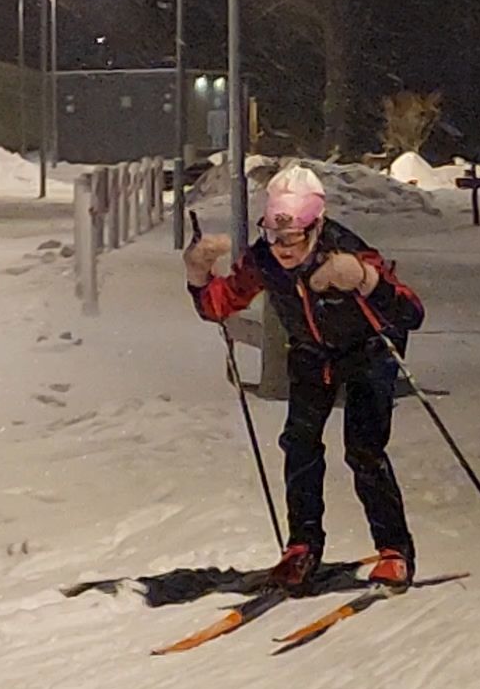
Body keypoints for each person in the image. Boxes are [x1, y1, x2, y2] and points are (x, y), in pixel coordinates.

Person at [183, 165, 427, 590]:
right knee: (299, 444)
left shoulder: (344, 249)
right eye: (274, 235)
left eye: (291, 237)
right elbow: (218, 306)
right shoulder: (264, 258)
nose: (281, 248)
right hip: (312, 353)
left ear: (316, 226)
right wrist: (198, 273)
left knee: (364, 450)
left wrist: (362, 278)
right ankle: (302, 547)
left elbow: (410, 311)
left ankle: (394, 551)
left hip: (368, 350)